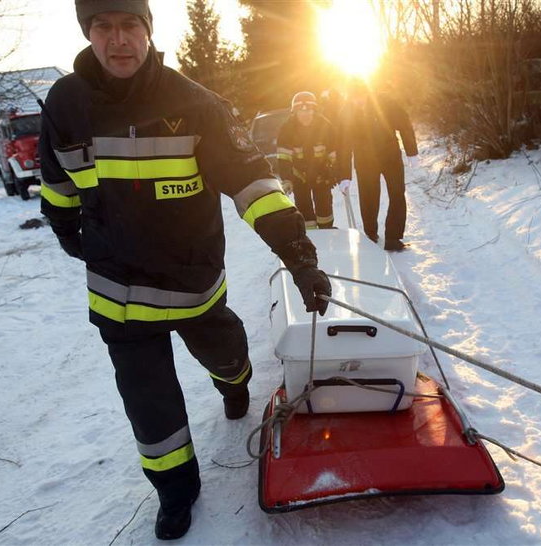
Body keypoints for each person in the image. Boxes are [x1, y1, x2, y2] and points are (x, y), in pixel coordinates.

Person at [38, 1, 331, 540]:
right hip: (114, 288)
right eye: (104, 26)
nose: (118, 39)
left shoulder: (196, 105)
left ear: (148, 31)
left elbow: (253, 186)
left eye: (130, 25)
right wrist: (63, 229)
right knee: (148, 402)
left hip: (189, 281)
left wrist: (299, 257)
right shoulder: (65, 102)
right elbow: (57, 180)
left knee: (223, 353)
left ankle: (235, 382)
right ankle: (175, 490)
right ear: (88, 33)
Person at [337, 79, 419, 251]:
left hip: (390, 157)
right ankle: (370, 233)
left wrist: (411, 151)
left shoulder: (386, 103)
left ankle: (393, 238)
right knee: (368, 197)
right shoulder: (346, 112)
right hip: (365, 161)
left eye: (361, 96)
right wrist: (344, 174)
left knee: (397, 194)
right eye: (354, 98)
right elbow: (343, 144)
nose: (358, 101)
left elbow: (404, 124)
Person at [276, 91, 337, 229]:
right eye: (301, 112)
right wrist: (287, 179)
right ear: (294, 113)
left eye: (308, 111)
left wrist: (333, 171)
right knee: (304, 209)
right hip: (299, 176)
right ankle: (310, 237)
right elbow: (283, 158)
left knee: (325, 207)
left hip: (322, 175)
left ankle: (327, 231)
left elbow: (334, 152)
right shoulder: (287, 130)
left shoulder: (326, 126)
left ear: (314, 111)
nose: (305, 115)